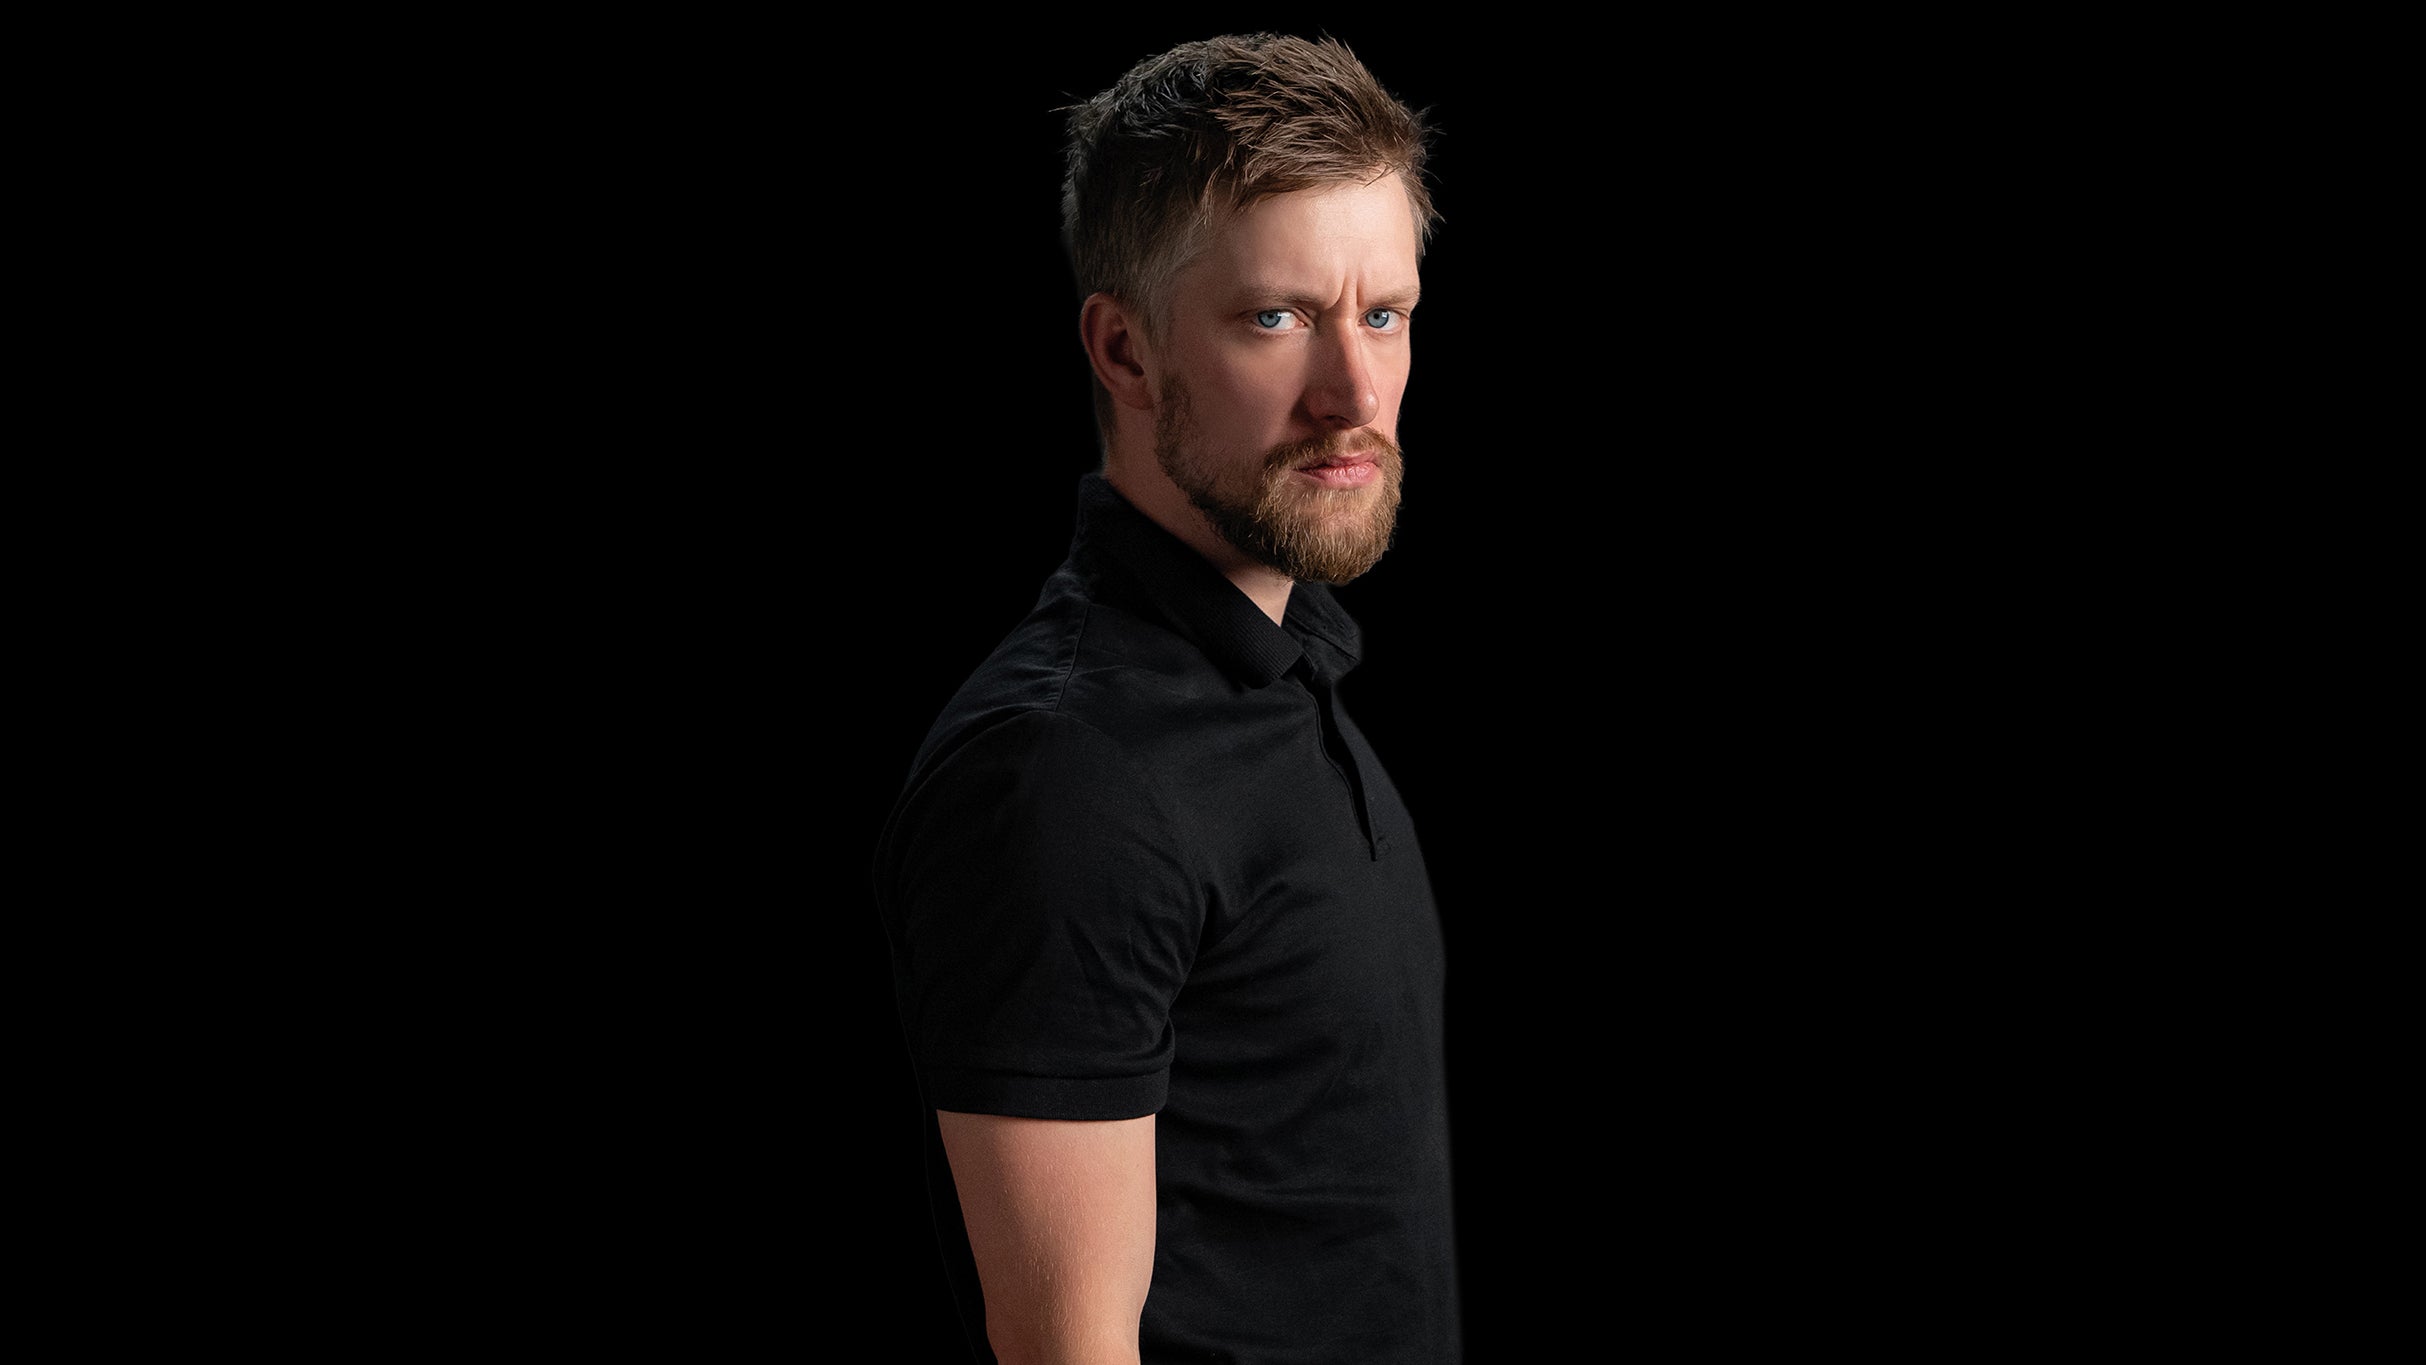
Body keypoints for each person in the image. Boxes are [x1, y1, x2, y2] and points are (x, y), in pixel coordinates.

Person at [873, 33, 1457, 1364]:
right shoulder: (1067, 774)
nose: (1355, 394)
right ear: (1124, 350)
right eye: (1276, 318)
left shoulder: (1282, 667)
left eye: (1383, 314)